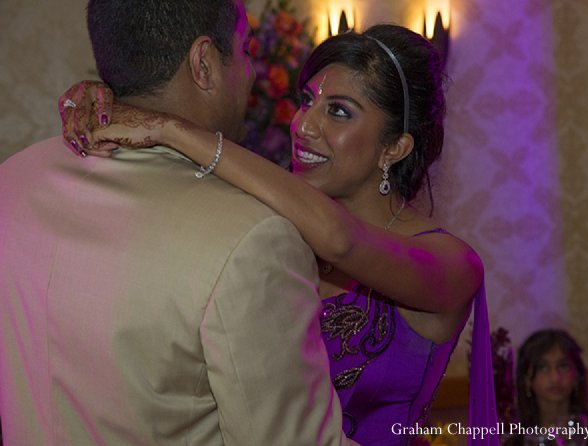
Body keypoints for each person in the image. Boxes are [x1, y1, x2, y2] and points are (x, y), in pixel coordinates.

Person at [60, 25, 500, 446]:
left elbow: (340, 240)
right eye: (306, 100)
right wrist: (107, 100)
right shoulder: (271, 229)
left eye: (338, 111)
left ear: (394, 147)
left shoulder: (452, 263)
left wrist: (169, 128)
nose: (303, 125)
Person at [0, 1, 357, 445]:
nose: (251, 74)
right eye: (244, 50)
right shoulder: (252, 238)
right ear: (204, 63)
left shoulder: (12, 181)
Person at [506, 329, 588, 446]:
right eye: (543, 367)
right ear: (526, 379)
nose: (555, 378)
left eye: (563, 366)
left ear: (576, 375)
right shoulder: (513, 434)